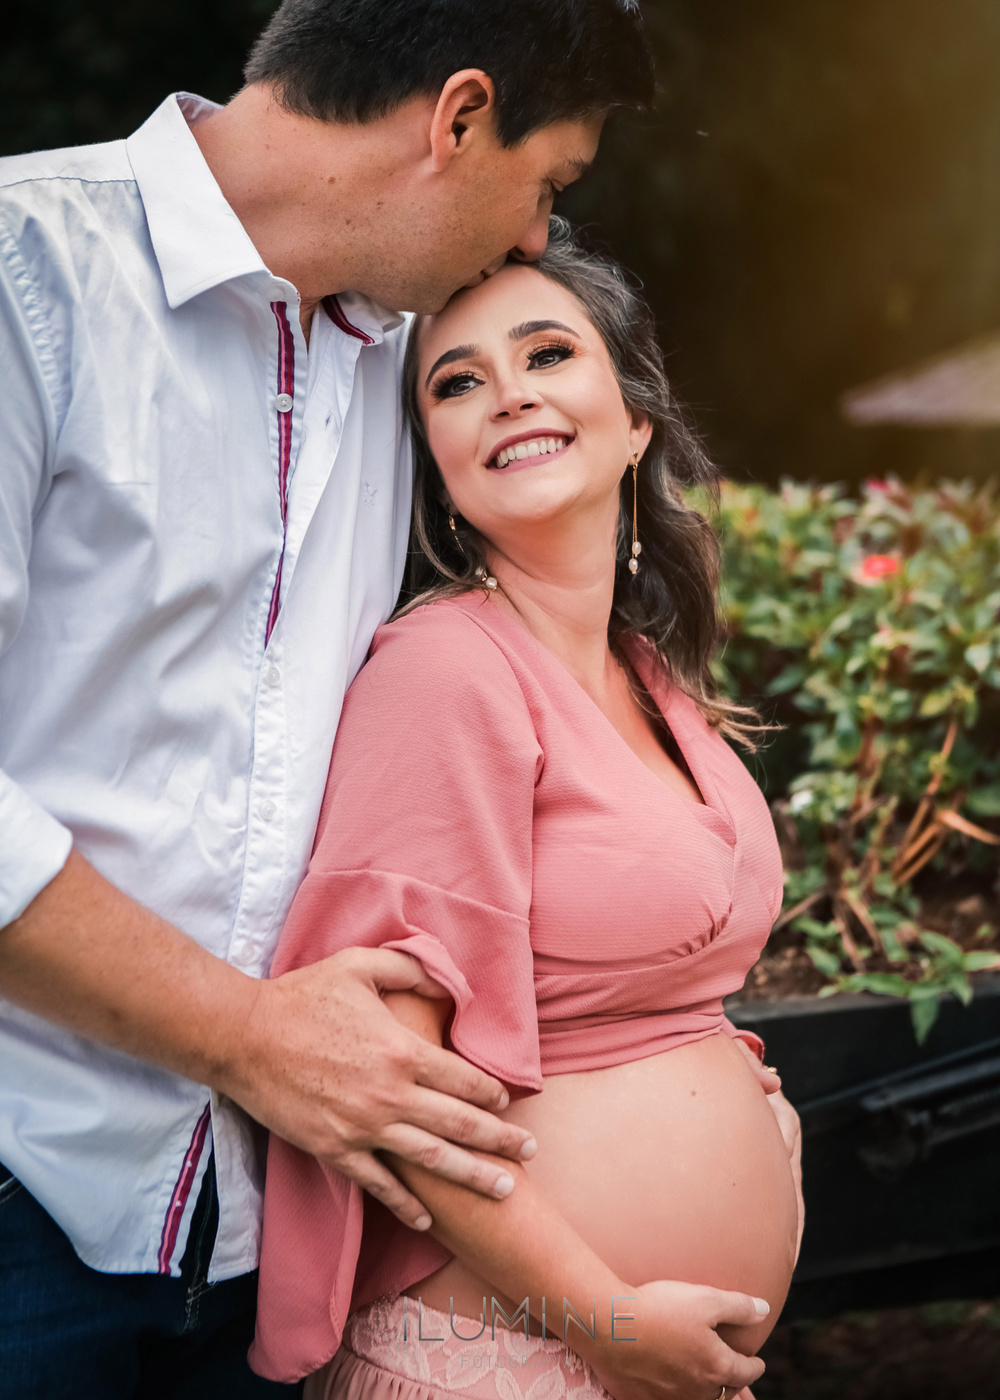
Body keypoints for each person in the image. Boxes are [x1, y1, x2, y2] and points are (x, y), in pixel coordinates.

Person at [0, 3, 655, 1395]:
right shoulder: (25, 270)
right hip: (23, 1183)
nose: (536, 238)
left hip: (263, 1227)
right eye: (548, 184)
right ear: (458, 117)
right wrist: (250, 1037)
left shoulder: (401, 358)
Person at [252, 221, 806, 1400]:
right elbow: (391, 1087)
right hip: (504, 1360)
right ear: (437, 463)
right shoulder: (444, 671)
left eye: (547, 353)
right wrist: (607, 1317)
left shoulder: (651, 678)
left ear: (637, 417)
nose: (508, 393)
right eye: (456, 382)